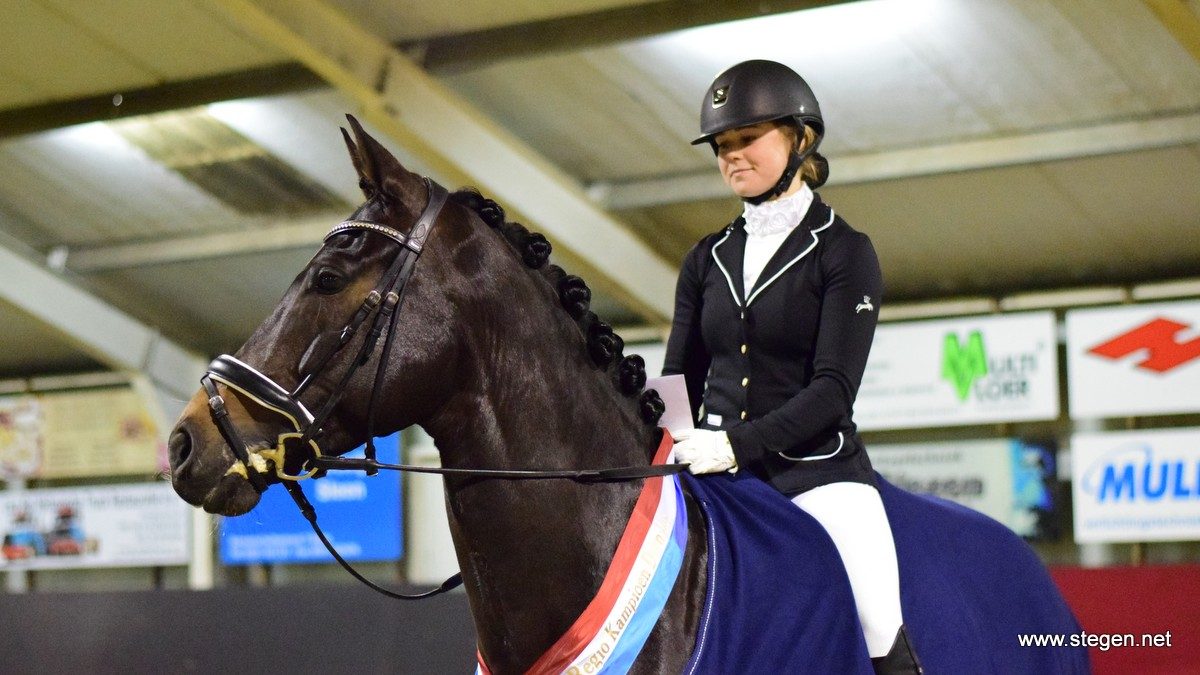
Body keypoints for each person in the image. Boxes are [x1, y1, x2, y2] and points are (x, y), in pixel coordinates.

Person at [664, 59, 922, 674]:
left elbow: (833, 392)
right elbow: (676, 377)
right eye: (722, 146)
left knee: (877, 620)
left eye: (747, 140)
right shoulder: (706, 259)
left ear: (800, 138)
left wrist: (733, 445)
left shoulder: (845, 251)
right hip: (710, 474)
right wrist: (668, 436)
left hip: (818, 474)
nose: (732, 157)